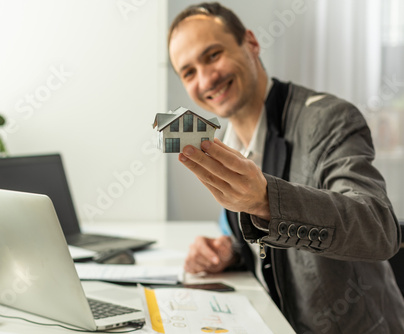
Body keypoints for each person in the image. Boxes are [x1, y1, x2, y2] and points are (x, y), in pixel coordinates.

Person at [168, 2, 404, 333]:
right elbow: (262, 243)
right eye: (188, 72)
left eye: (213, 55)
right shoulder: (225, 141)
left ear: (250, 43)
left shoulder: (329, 119)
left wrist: (266, 200)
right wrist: (230, 250)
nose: (206, 79)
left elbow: (379, 228)